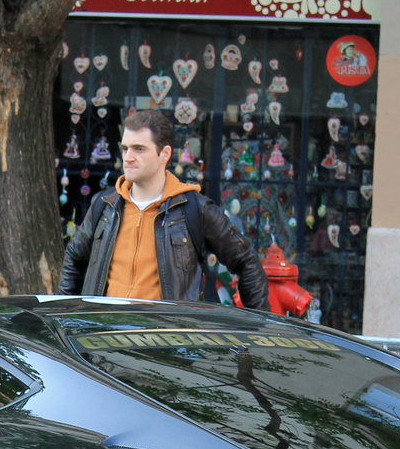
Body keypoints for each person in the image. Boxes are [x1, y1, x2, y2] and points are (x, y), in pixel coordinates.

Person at [60, 110, 269, 308]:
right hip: (103, 337)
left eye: (139, 149)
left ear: (165, 154)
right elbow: (74, 257)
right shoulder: (104, 205)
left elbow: (246, 261)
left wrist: (261, 328)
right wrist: (64, 316)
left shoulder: (195, 209)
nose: (128, 157)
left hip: (164, 339)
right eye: (125, 148)